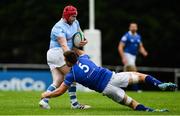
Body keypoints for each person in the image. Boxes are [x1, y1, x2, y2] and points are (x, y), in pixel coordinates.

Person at [41, 49, 177, 112]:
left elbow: (59, 91)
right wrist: (76, 46)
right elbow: (81, 52)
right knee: (140, 76)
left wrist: (46, 95)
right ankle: (159, 84)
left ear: (68, 62)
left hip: (107, 89)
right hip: (112, 77)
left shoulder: (72, 75)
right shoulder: (84, 58)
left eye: (65, 60)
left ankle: (153, 111)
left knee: (131, 103)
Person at [39, 5, 90, 109]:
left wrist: (84, 41)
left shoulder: (75, 23)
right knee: (73, 76)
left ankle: (44, 101)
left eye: (75, 16)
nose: (74, 18)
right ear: (66, 16)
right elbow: (63, 45)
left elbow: (80, 35)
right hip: (58, 53)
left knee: (58, 80)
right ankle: (74, 104)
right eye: (72, 16)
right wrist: (72, 58)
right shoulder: (58, 27)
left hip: (58, 55)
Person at [118, 22, 148, 92]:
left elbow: (140, 47)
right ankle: (136, 89)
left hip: (133, 56)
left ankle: (120, 88)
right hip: (127, 55)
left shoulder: (138, 36)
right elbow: (120, 47)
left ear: (137, 28)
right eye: (132, 27)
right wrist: (123, 57)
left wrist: (144, 52)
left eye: (135, 27)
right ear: (129, 28)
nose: (134, 28)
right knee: (134, 71)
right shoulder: (126, 36)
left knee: (126, 73)